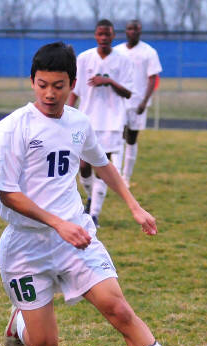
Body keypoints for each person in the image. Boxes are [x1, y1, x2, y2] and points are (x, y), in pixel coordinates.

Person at [0, 41, 205, 346]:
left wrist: (134, 205)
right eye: (42, 85)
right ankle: (19, 324)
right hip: (25, 246)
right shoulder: (12, 128)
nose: (50, 94)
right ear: (32, 82)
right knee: (45, 345)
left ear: (73, 85)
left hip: (76, 238)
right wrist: (57, 223)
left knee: (118, 309)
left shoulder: (78, 123)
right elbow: (7, 193)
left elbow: (102, 164)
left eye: (58, 86)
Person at [67, 19, 133, 227]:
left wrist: (109, 81)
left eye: (107, 34)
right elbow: (75, 91)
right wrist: (66, 114)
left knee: (103, 167)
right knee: (83, 166)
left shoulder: (123, 61)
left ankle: (94, 214)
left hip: (112, 122)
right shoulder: (84, 58)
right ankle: (90, 197)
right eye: (100, 34)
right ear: (95, 35)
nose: (103, 38)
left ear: (113, 36)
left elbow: (128, 93)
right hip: (86, 120)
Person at [115, 19, 162, 188]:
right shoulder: (117, 51)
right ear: (125, 31)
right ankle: (116, 174)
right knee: (118, 137)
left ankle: (126, 177)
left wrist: (145, 101)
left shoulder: (149, 52)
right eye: (130, 29)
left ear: (140, 31)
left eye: (136, 29)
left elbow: (152, 78)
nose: (133, 32)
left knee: (131, 138)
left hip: (137, 102)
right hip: (119, 101)